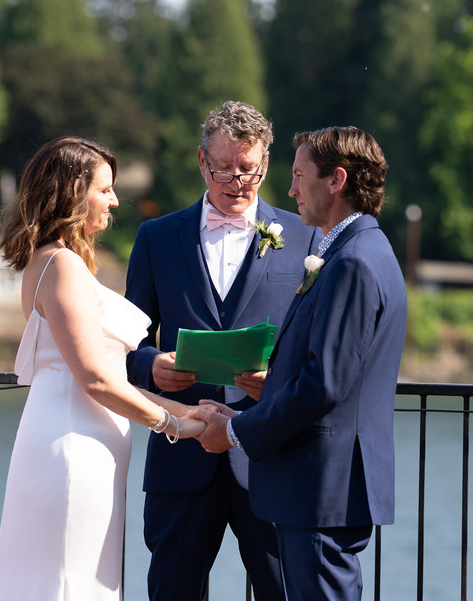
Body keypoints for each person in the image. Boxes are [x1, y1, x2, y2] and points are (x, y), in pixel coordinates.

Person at [0, 137, 205, 600]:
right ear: (71, 192)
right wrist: (175, 425)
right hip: (71, 453)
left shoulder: (59, 261)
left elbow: (107, 376)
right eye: (104, 189)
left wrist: (190, 414)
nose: (115, 200)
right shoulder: (60, 265)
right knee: (65, 583)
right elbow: (96, 378)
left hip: (81, 446)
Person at [193, 126, 407, 600]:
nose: (289, 190)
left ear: (336, 180)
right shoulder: (360, 251)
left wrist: (234, 433)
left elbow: (322, 384)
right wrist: (244, 414)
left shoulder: (353, 262)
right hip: (322, 485)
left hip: (319, 488)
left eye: (298, 175)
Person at [124, 101, 319, 600]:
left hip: (269, 458)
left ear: (267, 165)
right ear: (200, 161)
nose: (236, 182)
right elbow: (128, 344)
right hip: (180, 455)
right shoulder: (156, 237)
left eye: (248, 170)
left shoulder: (305, 237)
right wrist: (152, 366)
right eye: (223, 169)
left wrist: (277, 377)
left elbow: (319, 346)